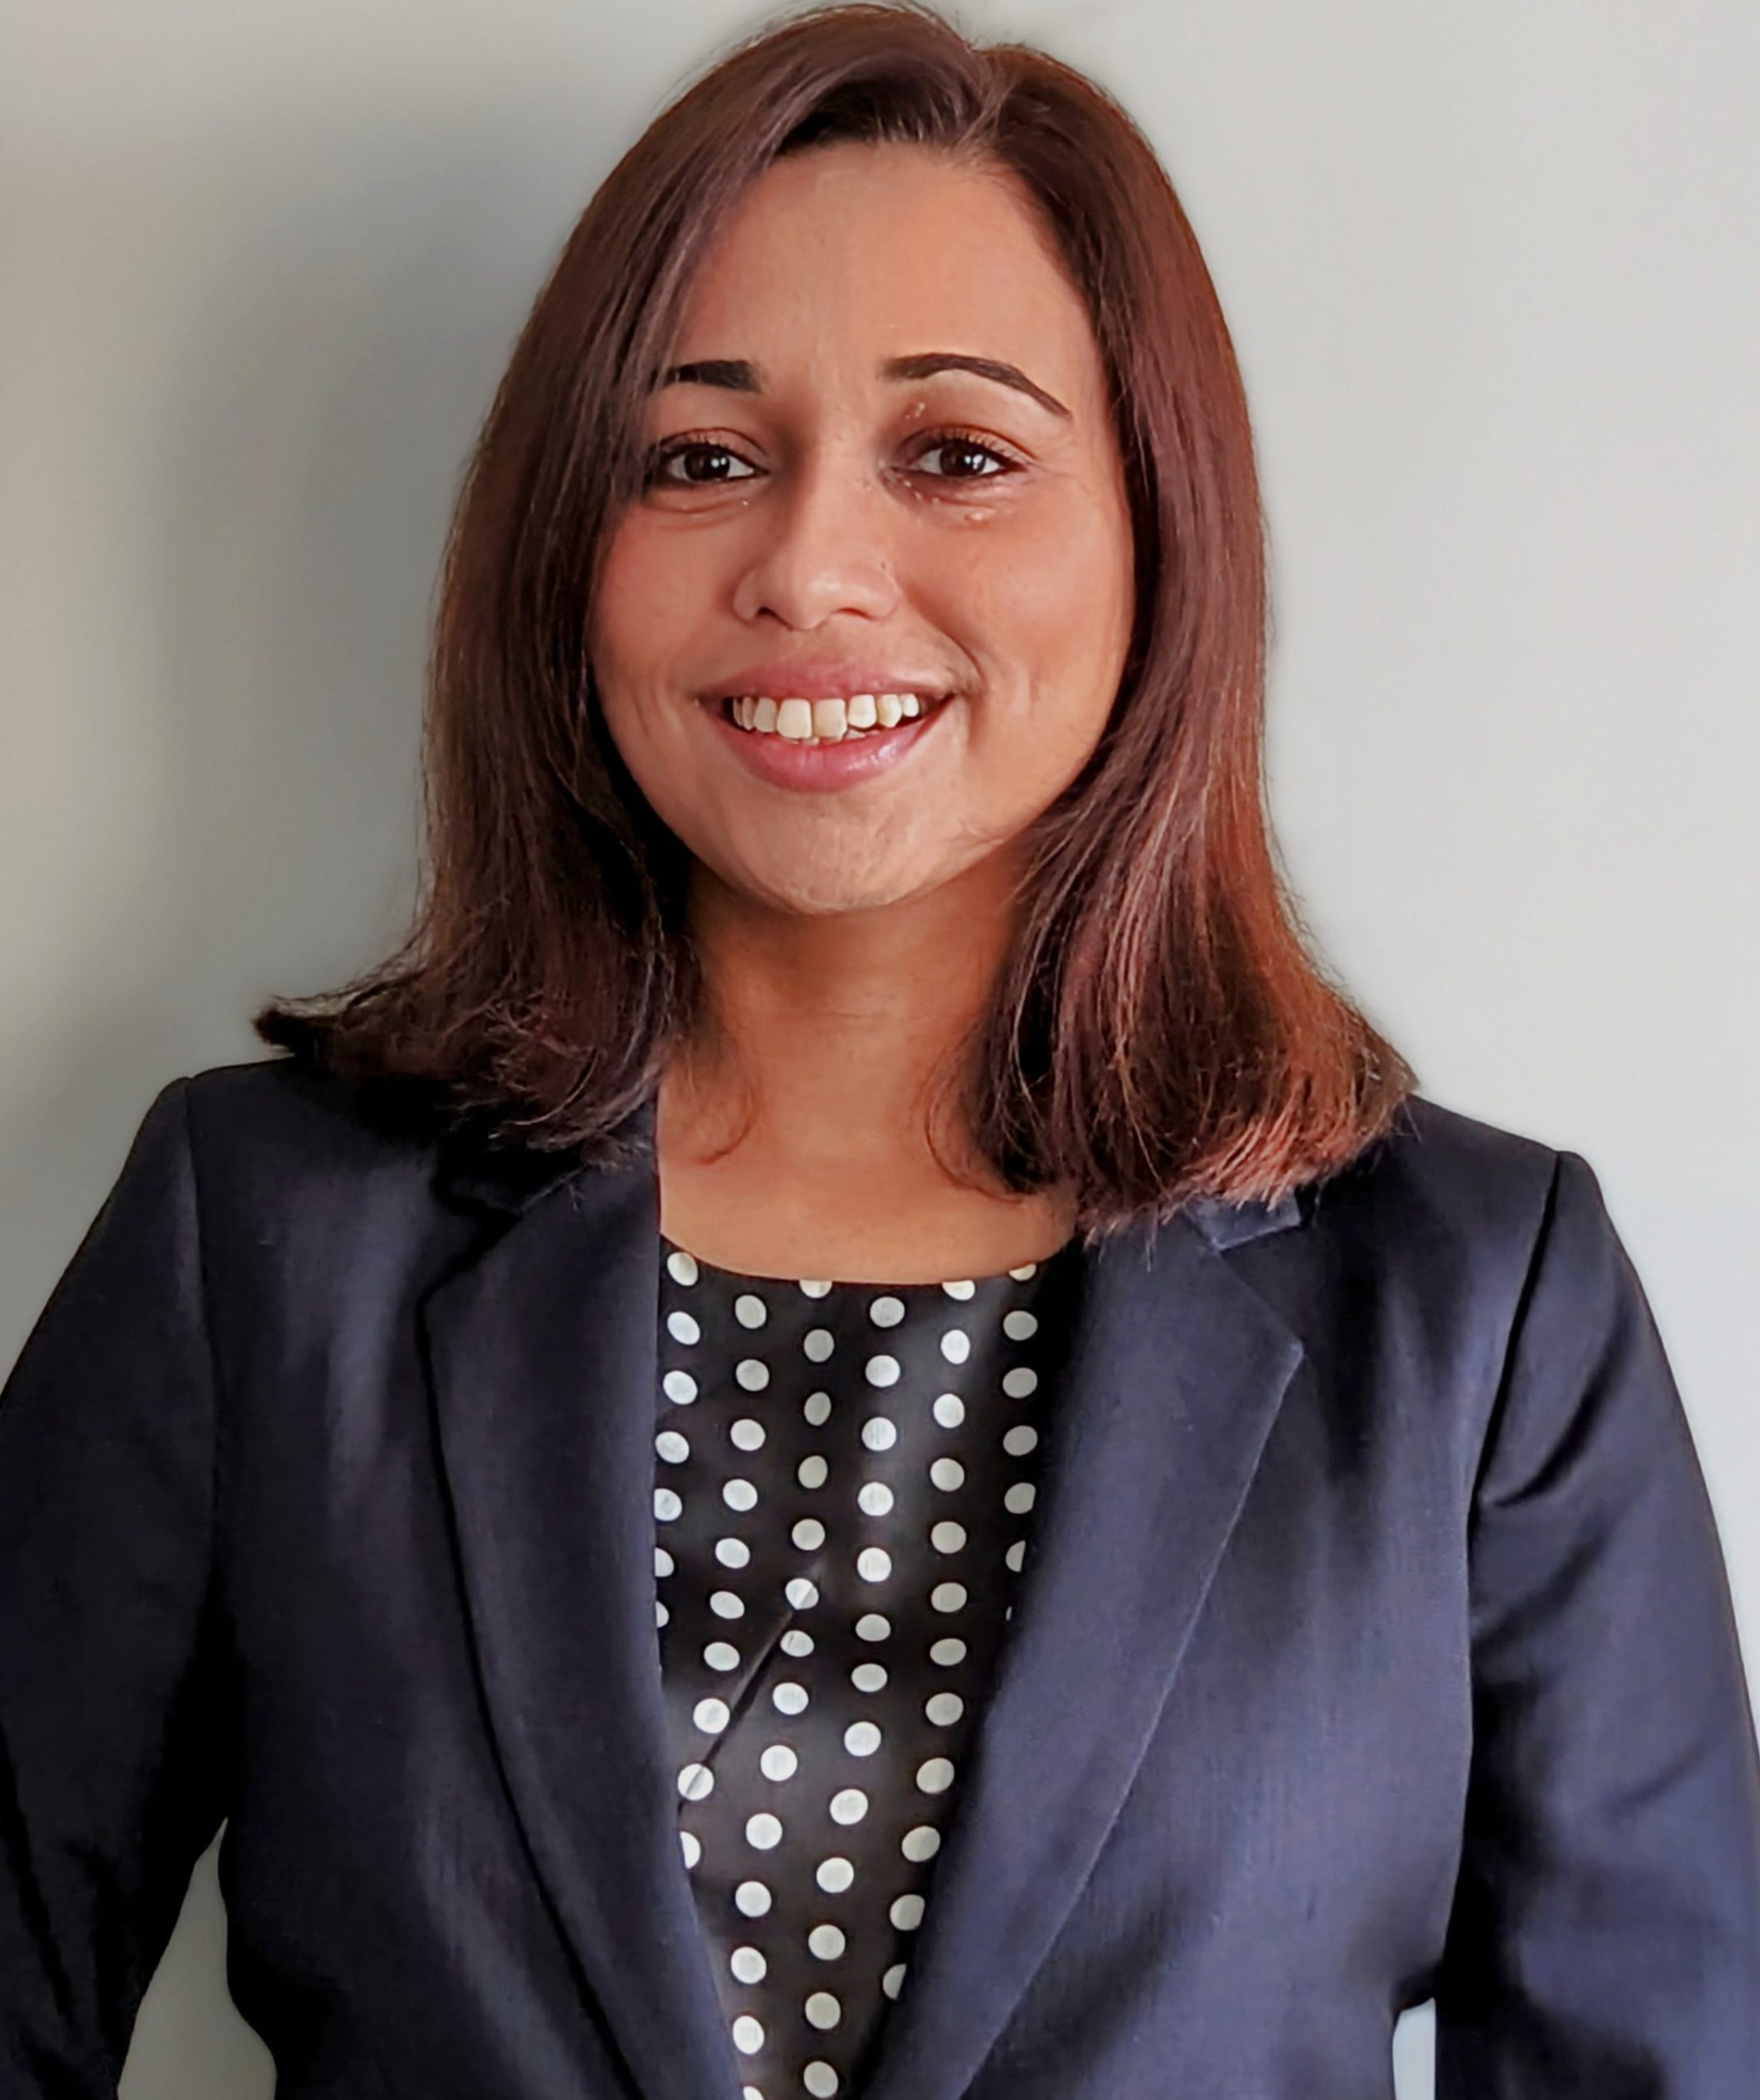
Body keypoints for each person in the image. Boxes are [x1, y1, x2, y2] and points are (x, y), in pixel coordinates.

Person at [3, 2, 1757, 2095]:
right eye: (698, 458)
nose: (810, 568)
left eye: (958, 455)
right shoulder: (259, 1242)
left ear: (1156, 534)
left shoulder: (1481, 1306)